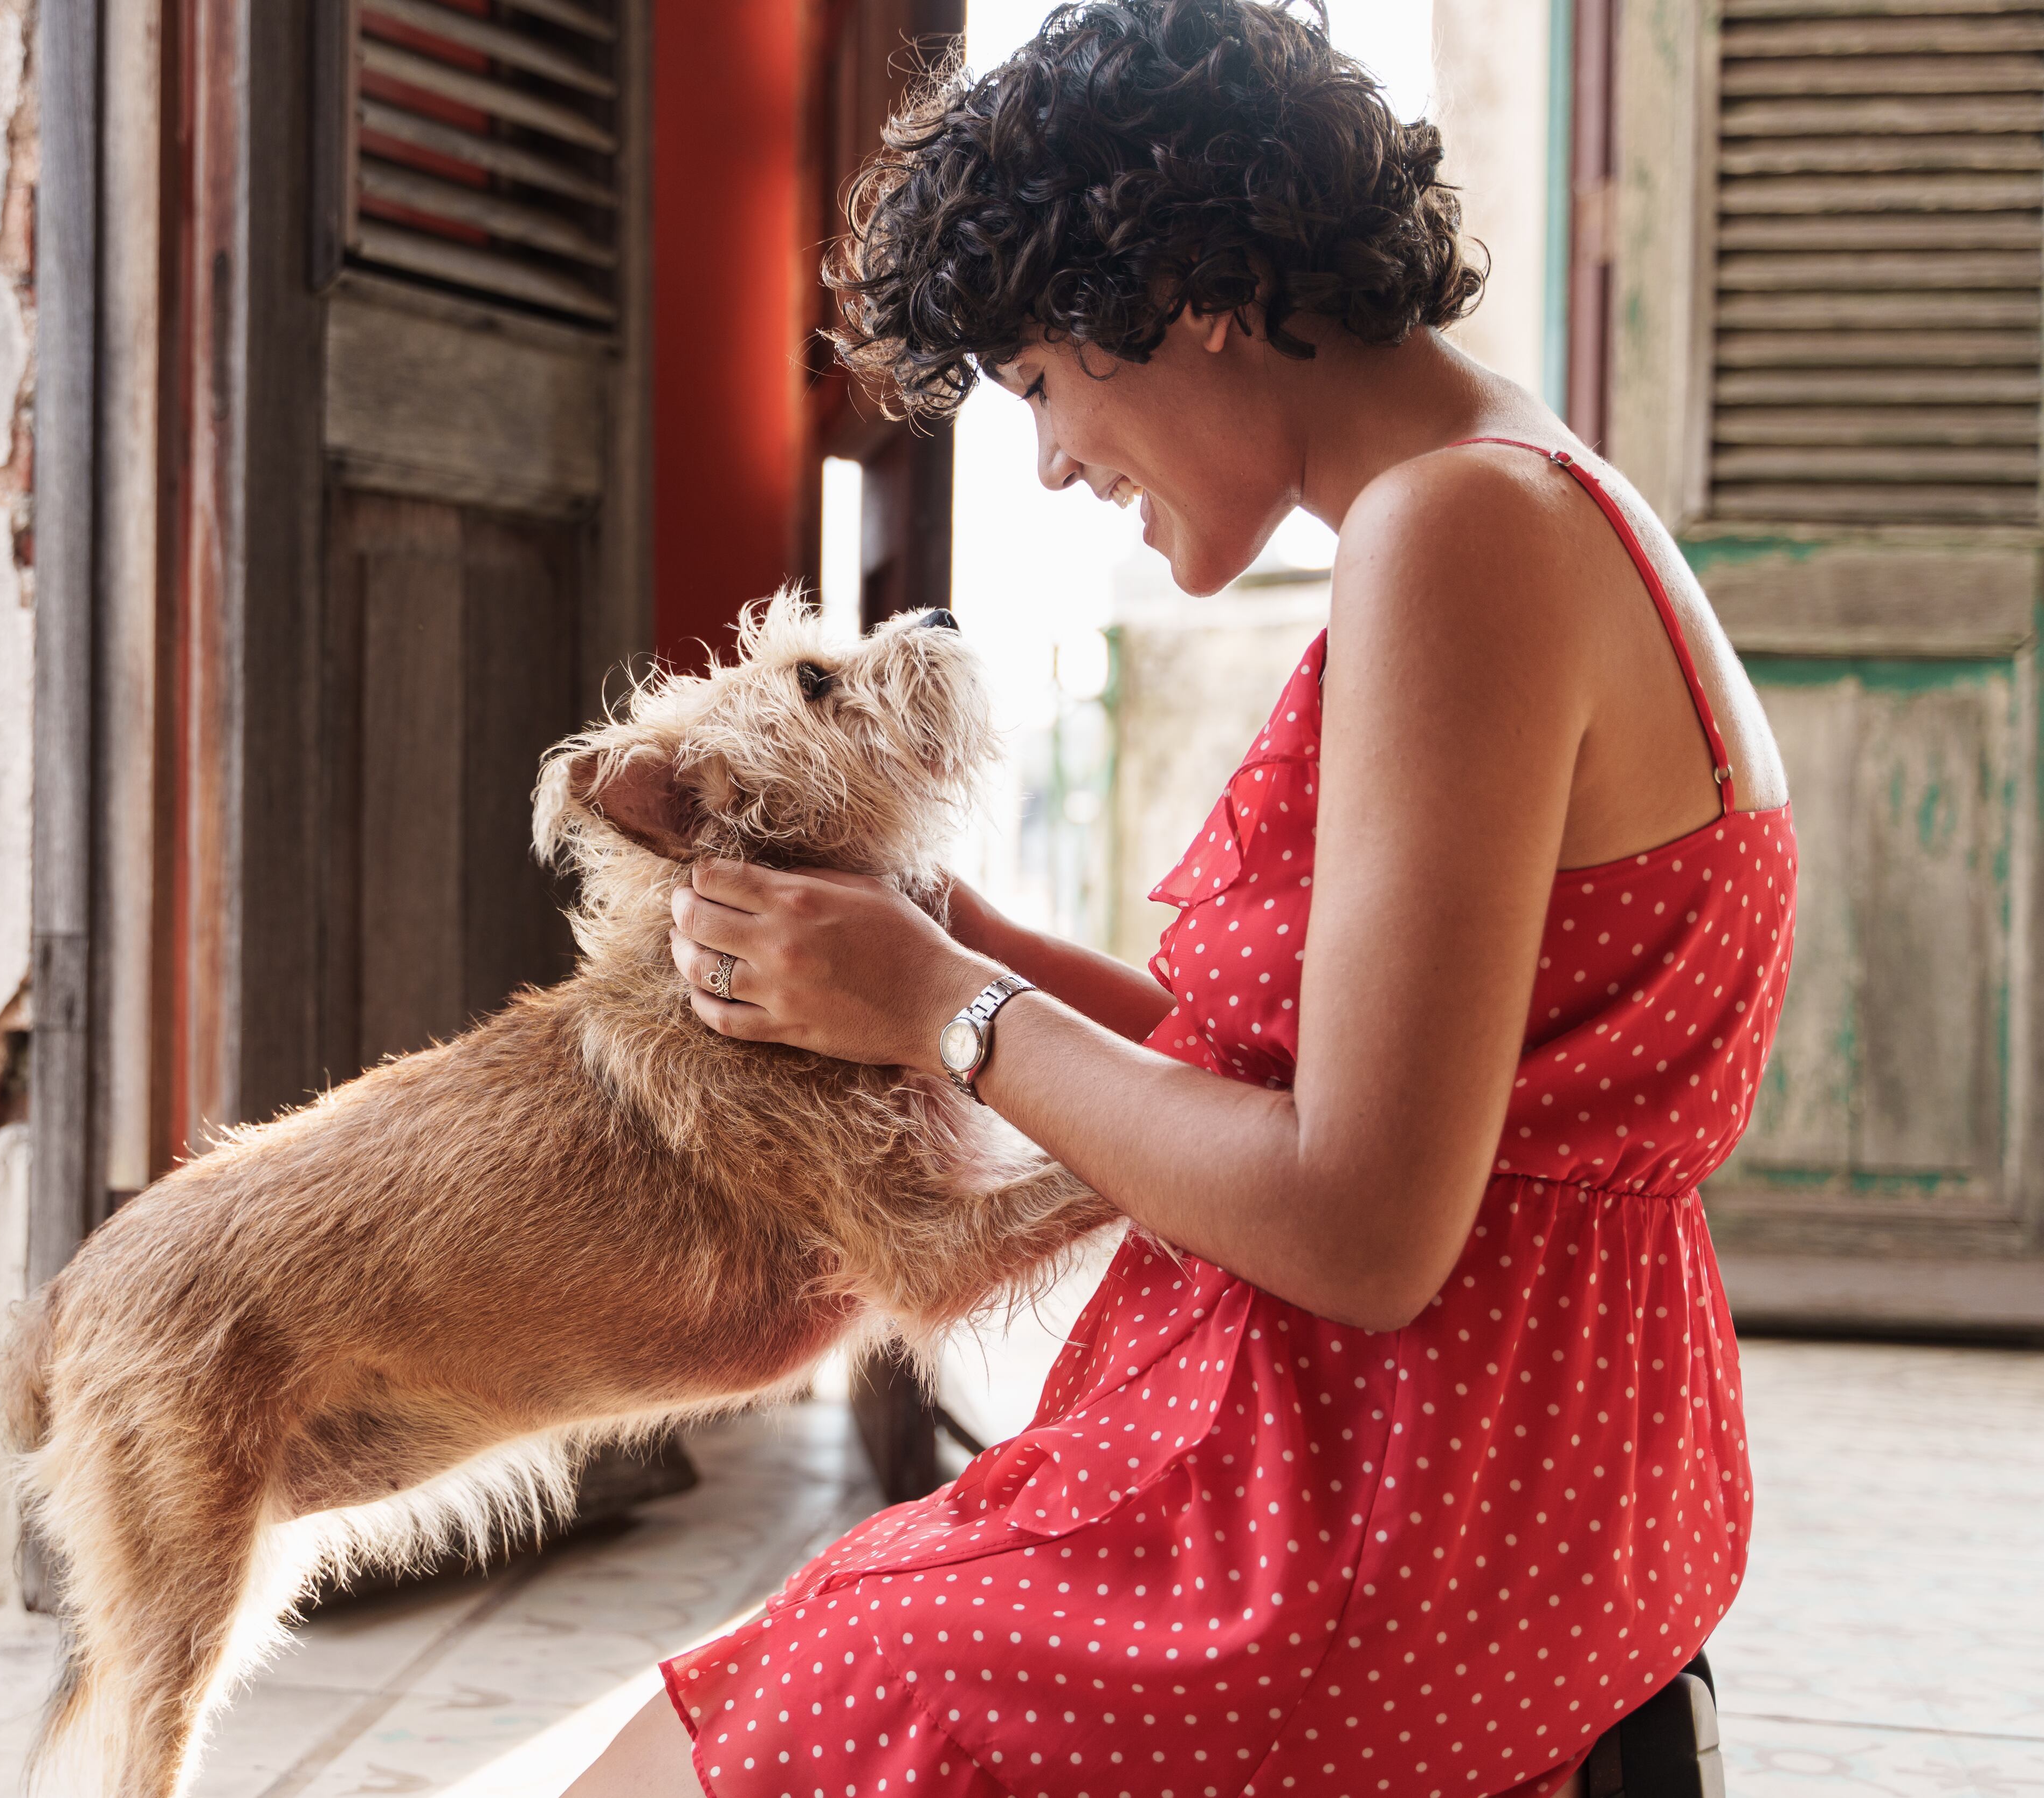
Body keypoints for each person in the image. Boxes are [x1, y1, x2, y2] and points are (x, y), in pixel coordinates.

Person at [564, 2, 1792, 1794]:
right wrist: (946, 933)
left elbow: (1365, 1227)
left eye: (1046, 385)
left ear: (1199, 292)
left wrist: (938, 1013)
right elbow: (1329, 1089)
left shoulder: (1456, 541)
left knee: (753, 1724)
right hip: (1536, 1461)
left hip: (1402, 1506)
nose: (1053, 460)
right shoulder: (1514, 497)